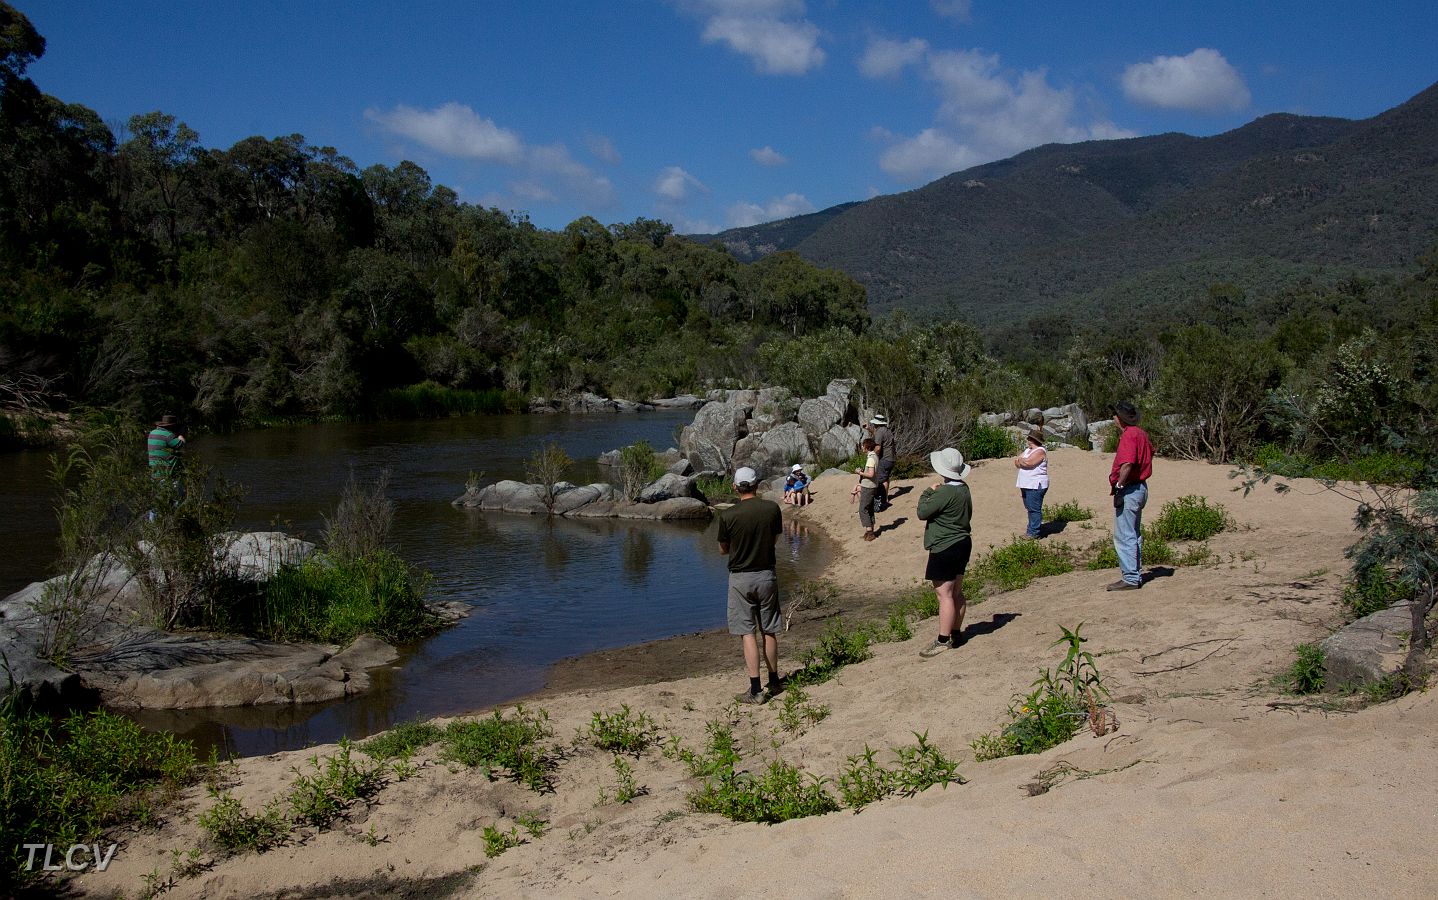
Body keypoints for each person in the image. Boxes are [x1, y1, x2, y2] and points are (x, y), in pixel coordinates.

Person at [716, 466, 785, 704]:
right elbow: (775, 539)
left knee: (747, 632)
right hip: (767, 575)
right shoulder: (772, 509)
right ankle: (774, 681)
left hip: (740, 578)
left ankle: (755, 689)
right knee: (769, 630)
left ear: (735, 487)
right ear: (757, 485)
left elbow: (723, 549)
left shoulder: (727, 515)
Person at [917, 448, 973, 658]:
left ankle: (943, 639)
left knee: (944, 594)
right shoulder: (964, 489)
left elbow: (922, 512)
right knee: (956, 591)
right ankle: (956, 633)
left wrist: (928, 492)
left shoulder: (944, 492)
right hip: (962, 542)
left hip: (945, 545)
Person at [1107, 401, 1155, 591]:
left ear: (1119, 419)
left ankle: (1130, 577)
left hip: (1130, 488)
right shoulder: (1141, 434)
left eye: (1114, 415)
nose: (1112, 418)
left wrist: (1120, 484)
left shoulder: (1129, 436)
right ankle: (1133, 574)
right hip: (1140, 487)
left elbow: (1127, 463)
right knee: (1133, 534)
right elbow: (1151, 452)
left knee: (1124, 535)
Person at [1013, 428, 1049, 539]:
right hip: (1026, 484)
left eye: (1029, 438)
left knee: (1034, 508)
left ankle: (1034, 533)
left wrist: (1022, 461)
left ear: (1032, 440)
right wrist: (1021, 461)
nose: (1027, 440)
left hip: (1035, 484)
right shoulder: (1028, 451)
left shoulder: (1040, 451)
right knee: (1029, 507)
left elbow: (1029, 463)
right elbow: (1017, 461)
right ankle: (1031, 530)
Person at [850, 437, 880, 541]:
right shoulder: (874, 457)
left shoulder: (871, 458)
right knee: (869, 508)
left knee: (863, 509)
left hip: (868, 486)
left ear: (867, 447)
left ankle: (869, 532)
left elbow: (871, 474)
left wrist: (860, 473)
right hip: (872, 486)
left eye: (863, 446)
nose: (862, 447)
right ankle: (870, 530)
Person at [868, 415, 896, 510]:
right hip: (891, 459)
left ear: (876, 423)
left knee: (880, 480)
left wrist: (872, 456)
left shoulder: (880, 432)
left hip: (884, 459)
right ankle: (885, 499)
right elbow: (878, 435)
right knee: (885, 479)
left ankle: (881, 502)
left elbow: (878, 447)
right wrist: (869, 429)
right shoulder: (887, 430)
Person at [147, 414, 186, 480]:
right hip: (167, 476)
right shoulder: (168, 435)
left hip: (154, 474)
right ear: (172, 426)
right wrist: (180, 435)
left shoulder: (152, 433)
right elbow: (181, 445)